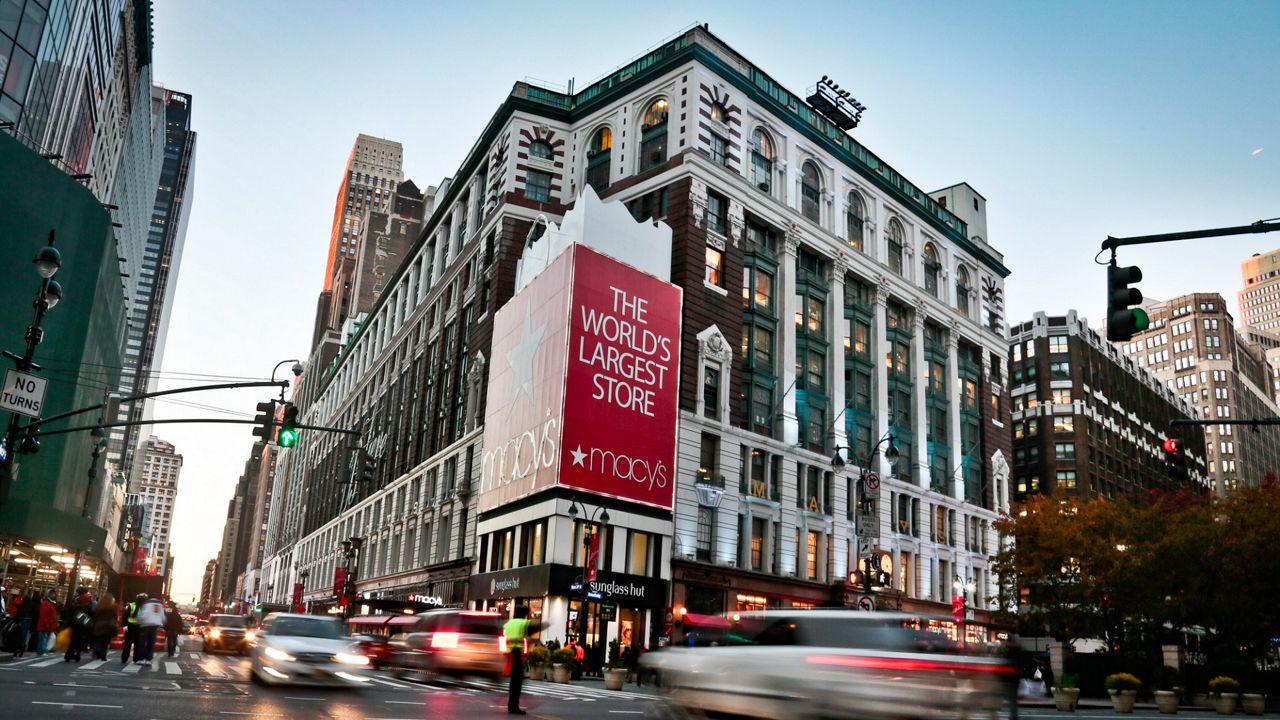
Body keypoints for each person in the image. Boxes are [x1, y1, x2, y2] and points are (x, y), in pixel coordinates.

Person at [503, 606, 540, 716]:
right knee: (517, 682)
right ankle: (514, 706)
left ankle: (511, 705)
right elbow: (535, 629)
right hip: (518, 653)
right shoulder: (524, 623)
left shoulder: (508, 624)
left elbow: (504, 638)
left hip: (509, 653)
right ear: (524, 614)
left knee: (513, 681)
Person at [134, 595, 166, 666]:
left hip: (145, 625)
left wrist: (138, 621)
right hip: (155, 626)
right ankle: (148, 659)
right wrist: (162, 623)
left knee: (142, 643)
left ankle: (141, 659)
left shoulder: (146, 604)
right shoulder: (160, 605)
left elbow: (144, 615)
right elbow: (163, 617)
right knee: (151, 643)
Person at [62, 590, 93, 662]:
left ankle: (68, 655)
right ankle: (77, 655)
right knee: (80, 642)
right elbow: (92, 616)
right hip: (83, 627)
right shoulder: (88, 607)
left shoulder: (76, 606)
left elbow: (71, 616)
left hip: (74, 626)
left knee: (72, 641)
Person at [90, 593, 119, 661]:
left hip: (98, 625)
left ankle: (96, 651)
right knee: (105, 641)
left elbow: (94, 616)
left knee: (99, 639)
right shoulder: (112, 608)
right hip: (107, 626)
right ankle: (103, 655)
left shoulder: (99, 606)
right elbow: (114, 618)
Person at [120, 593, 143, 664]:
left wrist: (124, 626)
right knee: (137, 644)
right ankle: (135, 659)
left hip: (130, 626)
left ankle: (124, 658)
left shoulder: (132, 605)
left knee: (128, 644)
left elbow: (125, 616)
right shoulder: (143, 607)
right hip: (138, 627)